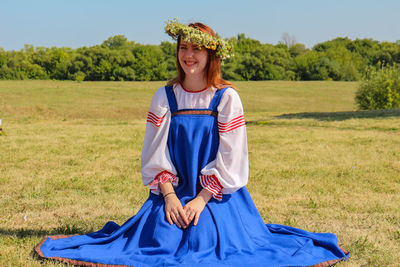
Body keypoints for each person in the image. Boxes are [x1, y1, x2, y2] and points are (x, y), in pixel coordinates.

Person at [35, 19, 349, 266]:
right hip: (170, 192)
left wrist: (200, 200)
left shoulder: (227, 98)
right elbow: (154, 153)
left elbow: (232, 158)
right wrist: (170, 198)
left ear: (211, 54)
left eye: (196, 49)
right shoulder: (165, 97)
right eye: (183, 48)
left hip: (217, 196)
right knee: (163, 239)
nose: (189, 55)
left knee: (206, 238)